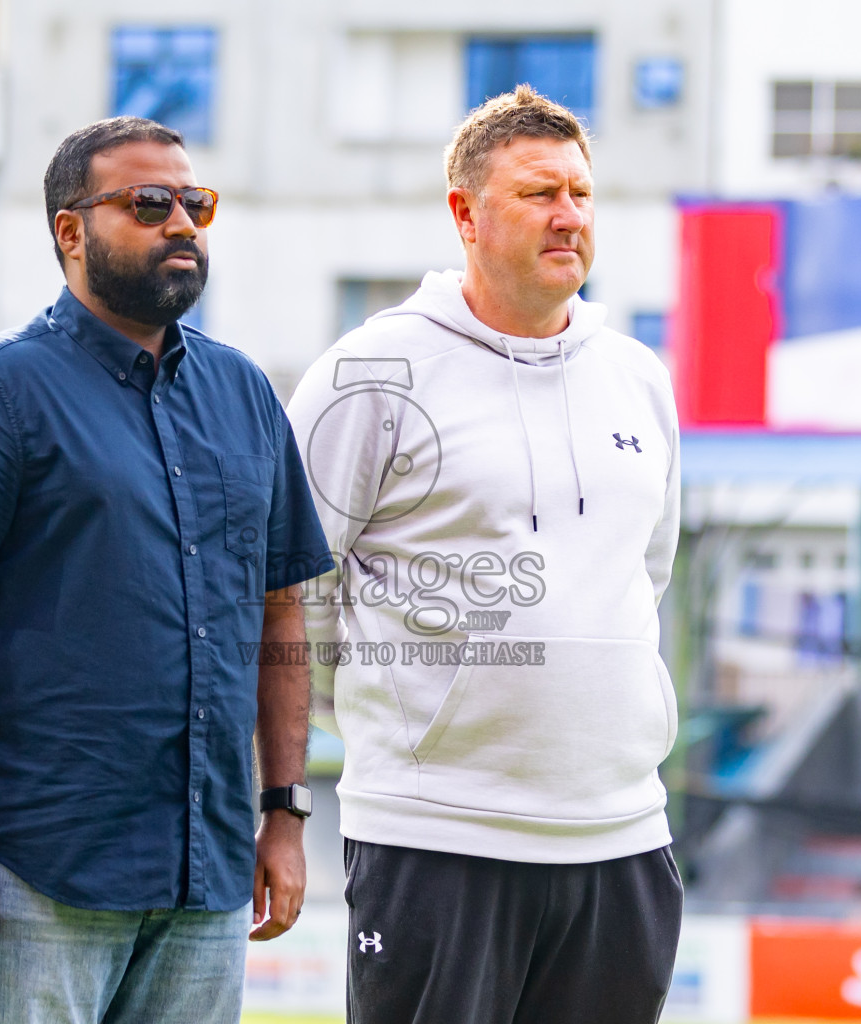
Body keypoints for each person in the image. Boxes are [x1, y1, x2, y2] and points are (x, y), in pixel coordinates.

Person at [0, 116, 330, 1024]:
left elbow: (280, 615)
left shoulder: (244, 394)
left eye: (195, 203)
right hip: (46, 868)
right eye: (149, 203)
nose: (183, 224)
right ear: (71, 231)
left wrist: (283, 814)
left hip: (206, 875)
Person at [287, 86, 684, 1023]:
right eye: (539, 193)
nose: (569, 216)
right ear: (465, 214)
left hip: (621, 836)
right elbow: (289, 590)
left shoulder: (637, 376)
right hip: (436, 835)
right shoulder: (369, 371)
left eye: (582, 194)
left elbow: (646, 571)